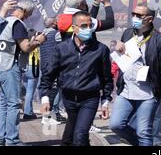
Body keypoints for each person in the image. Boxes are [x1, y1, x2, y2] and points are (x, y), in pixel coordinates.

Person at [39, 11, 113, 146]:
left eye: (90, 26)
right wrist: (45, 98)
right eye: (84, 26)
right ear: (74, 28)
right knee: (73, 135)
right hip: (68, 98)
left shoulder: (101, 50)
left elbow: (106, 78)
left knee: (80, 134)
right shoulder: (61, 48)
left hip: (89, 99)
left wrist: (105, 101)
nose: (88, 29)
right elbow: (49, 74)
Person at [110, 2, 161, 146]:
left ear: (149, 19)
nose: (135, 18)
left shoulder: (160, 40)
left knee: (144, 131)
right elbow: (121, 57)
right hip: (126, 90)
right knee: (116, 125)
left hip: (147, 93)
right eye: (133, 14)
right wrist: (118, 47)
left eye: (139, 15)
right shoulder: (127, 33)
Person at [0, 0, 46, 146]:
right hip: (10, 67)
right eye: (30, 14)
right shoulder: (17, 24)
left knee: (4, 105)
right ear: (26, 11)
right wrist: (39, 41)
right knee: (14, 105)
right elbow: (25, 47)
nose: (29, 17)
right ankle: (12, 140)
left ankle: (0, 138)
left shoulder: (2, 22)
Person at [39, 17, 66, 124]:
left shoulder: (41, 35)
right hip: (53, 65)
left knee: (47, 89)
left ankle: (50, 115)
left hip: (44, 65)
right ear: (54, 24)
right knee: (53, 90)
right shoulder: (56, 34)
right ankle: (47, 116)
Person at [22, 29, 41, 119]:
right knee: (30, 92)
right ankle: (27, 113)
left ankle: (29, 110)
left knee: (28, 92)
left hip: (24, 67)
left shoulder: (24, 44)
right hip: (33, 67)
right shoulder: (34, 45)